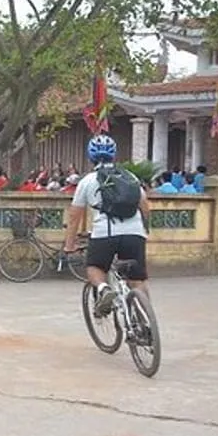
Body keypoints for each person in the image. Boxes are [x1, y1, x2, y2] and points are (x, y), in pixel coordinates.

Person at [64, 134, 151, 315]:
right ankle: (146, 323)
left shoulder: (88, 181)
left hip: (105, 233)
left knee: (95, 268)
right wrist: (145, 231)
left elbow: (74, 216)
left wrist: (69, 245)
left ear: (90, 157)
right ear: (114, 155)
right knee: (137, 280)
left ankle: (104, 290)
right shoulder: (130, 177)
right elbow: (145, 207)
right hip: (135, 233)